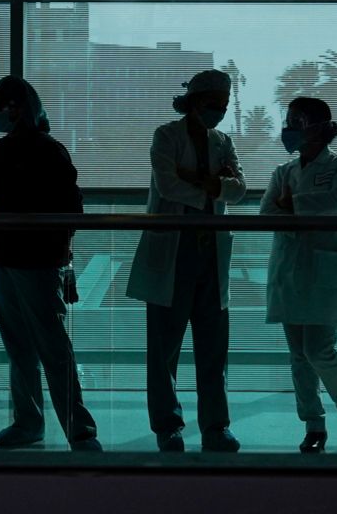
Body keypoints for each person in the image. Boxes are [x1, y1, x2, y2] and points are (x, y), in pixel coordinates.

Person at [127, 69, 246, 453]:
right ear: (194, 103)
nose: (220, 113)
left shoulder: (223, 141)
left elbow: (239, 189)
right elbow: (167, 184)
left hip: (210, 251)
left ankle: (216, 427)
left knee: (214, 347)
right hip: (172, 254)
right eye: (214, 105)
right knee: (164, 350)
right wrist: (214, 185)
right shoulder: (166, 136)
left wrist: (200, 182)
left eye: (225, 106)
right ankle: (168, 425)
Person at [0, 76, 101, 452]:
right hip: (13, 258)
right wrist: (64, 253)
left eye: (0, 103)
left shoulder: (28, 152)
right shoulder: (41, 150)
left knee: (42, 347)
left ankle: (63, 427)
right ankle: (48, 424)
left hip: (25, 259)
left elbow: (68, 208)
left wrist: (62, 254)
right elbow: (71, 208)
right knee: (31, 347)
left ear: (18, 107)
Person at [259, 97, 337, 454]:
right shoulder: (281, 172)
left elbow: (335, 204)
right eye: (287, 120)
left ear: (319, 127)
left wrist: (291, 206)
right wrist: (297, 211)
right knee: (299, 356)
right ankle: (313, 424)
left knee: (319, 350)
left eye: (296, 121)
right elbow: (265, 214)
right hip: (289, 271)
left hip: (325, 272)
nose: (289, 128)